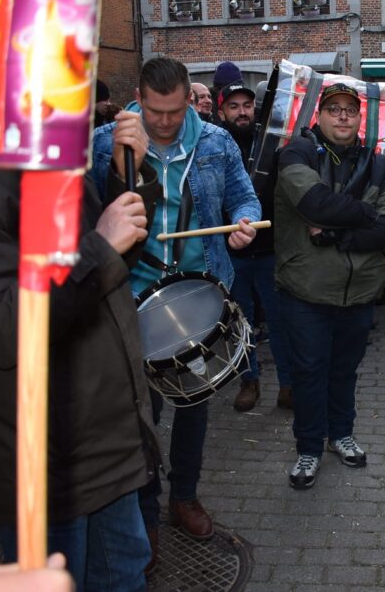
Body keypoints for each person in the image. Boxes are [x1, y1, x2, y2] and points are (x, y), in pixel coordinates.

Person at [0, 95, 161, 589]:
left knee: (125, 579)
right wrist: (99, 245)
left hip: (109, 444)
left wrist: (122, 177)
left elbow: (110, 270)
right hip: (48, 466)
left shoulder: (49, 163)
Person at [91, 57, 260, 568]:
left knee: (194, 407)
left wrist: (244, 222)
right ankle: (142, 512)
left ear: (190, 97)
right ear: (138, 97)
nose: (163, 122)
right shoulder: (105, 142)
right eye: (153, 110)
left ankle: (183, 496)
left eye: (174, 110)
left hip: (198, 294)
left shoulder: (215, 141)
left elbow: (244, 197)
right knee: (141, 418)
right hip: (130, 299)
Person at [274, 82, 385, 490]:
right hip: (307, 290)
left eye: (351, 109)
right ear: (320, 115)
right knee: (310, 371)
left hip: (360, 291)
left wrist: (340, 235)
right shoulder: (298, 152)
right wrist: (366, 211)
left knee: (345, 370)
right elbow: (313, 202)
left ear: (360, 117)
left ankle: (341, 435)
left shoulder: (378, 163)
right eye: (335, 110)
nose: (344, 116)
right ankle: (309, 449)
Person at [218, 81, 293, 411]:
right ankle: (249, 380)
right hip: (230, 254)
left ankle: (289, 384)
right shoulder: (214, 145)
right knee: (240, 321)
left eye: (247, 105)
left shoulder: (271, 144)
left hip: (269, 250)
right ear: (223, 111)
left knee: (279, 320)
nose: (242, 111)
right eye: (233, 106)